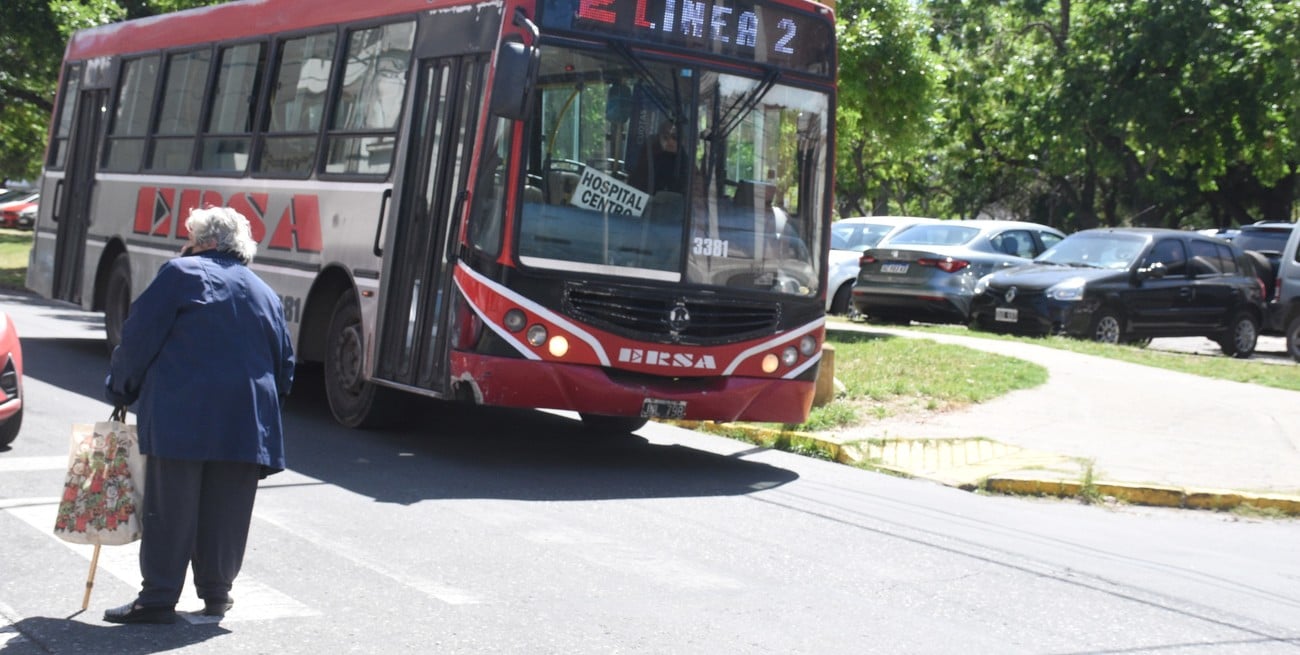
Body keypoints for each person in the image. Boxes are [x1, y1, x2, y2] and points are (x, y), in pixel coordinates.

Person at [102, 206, 295, 625]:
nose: (184, 244)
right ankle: (216, 593)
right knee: (226, 510)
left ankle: (157, 598)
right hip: (247, 420)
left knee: (170, 507)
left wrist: (121, 387)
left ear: (203, 241)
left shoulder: (180, 274)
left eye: (189, 236)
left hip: (183, 413)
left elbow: (139, 337)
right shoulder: (265, 291)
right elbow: (285, 366)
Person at [628, 119, 681, 193]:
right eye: (665, 137)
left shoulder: (687, 166)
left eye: (674, 137)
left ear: (682, 140)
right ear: (659, 138)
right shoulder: (649, 158)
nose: (670, 141)